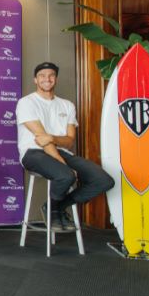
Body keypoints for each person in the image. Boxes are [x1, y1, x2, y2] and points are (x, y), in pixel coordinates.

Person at [16, 62, 114, 230]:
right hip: (33, 153)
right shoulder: (26, 103)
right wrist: (62, 163)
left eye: (51, 75)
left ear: (56, 79)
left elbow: (69, 141)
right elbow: (43, 142)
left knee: (104, 181)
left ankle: (55, 207)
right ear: (35, 80)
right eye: (42, 76)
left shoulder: (67, 105)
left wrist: (52, 137)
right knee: (66, 175)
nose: (47, 79)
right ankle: (55, 211)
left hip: (62, 151)